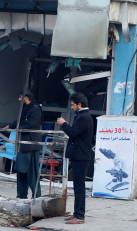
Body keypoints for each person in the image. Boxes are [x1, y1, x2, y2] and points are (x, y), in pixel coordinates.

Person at [57, 92, 93, 225]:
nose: (71, 107)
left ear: (79, 104)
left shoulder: (84, 117)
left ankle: (79, 215)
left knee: (79, 186)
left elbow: (73, 132)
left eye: (73, 105)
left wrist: (64, 123)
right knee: (78, 186)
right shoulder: (81, 115)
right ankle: (77, 213)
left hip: (81, 156)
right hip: (78, 154)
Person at [4, 89, 43, 199]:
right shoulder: (26, 109)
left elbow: (31, 125)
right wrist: (10, 126)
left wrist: (16, 129)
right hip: (24, 145)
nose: (19, 99)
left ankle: (36, 197)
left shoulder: (35, 110)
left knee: (32, 173)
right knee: (21, 170)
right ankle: (21, 195)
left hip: (31, 145)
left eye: (20, 97)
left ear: (26, 97)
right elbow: (20, 120)